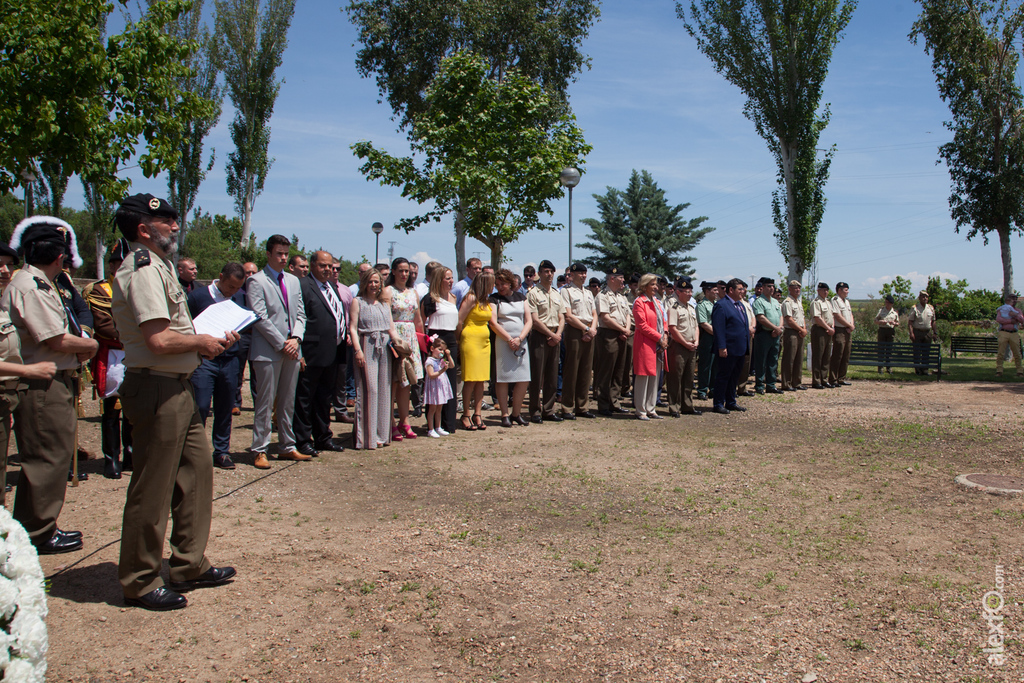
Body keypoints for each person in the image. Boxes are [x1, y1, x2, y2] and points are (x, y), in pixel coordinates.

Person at [111, 193, 238, 611]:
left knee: (197, 473)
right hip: (156, 387)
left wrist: (207, 341)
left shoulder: (160, 267)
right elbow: (159, 339)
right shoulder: (143, 269)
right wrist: (200, 341)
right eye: (166, 221)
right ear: (143, 229)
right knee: (154, 485)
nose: (175, 226)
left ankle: (188, 563)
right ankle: (140, 579)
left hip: (178, 384)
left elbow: (175, 331)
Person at [2, 217, 98, 554]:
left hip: (52, 380)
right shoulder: (32, 286)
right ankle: (39, 531)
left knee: (50, 457)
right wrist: (90, 346)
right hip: (43, 382)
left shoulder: (41, 283)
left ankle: (37, 527)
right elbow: (55, 338)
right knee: (47, 458)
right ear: (60, 256)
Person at [247, 234, 309, 469]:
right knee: (265, 402)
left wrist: (296, 338)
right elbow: (259, 318)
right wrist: (282, 343)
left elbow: (301, 314)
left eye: (285, 253)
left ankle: (286, 445)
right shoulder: (257, 281)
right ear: (268, 254)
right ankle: (259, 449)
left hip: (292, 349)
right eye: (279, 254)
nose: (283, 258)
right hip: (268, 351)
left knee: (287, 402)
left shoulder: (293, 281)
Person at [187, 263, 248, 470]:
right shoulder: (197, 297)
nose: (232, 292)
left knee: (225, 407)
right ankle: (195, 452)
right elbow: (187, 327)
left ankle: (221, 452)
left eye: (237, 288)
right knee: (201, 406)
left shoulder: (239, 298)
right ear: (220, 277)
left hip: (230, 359)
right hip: (204, 361)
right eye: (230, 286)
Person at [83, 239, 135, 478]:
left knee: (134, 408)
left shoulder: (139, 287)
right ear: (112, 266)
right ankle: (111, 458)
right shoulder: (100, 290)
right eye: (117, 263)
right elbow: (104, 326)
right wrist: (136, 337)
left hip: (136, 353)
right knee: (112, 411)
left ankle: (131, 454)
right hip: (114, 355)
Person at [294, 251, 347, 455]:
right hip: (311, 351)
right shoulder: (304, 286)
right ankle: (302, 440)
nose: (327, 270)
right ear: (313, 265)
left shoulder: (332, 287)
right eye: (323, 266)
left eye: (330, 266)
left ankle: (323, 437)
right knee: (305, 398)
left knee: (325, 398)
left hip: (333, 351)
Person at [349, 267, 401, 449]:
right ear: (365, 283)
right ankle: (367, 437)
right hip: (367, 344)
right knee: (369, 390)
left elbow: (391, 328)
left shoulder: (384, 304)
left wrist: (399, 343)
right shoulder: (358, 302)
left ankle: (381, 434)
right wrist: (358, 350)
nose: (373, 285)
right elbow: (353, 328)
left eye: (376, 282)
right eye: (370, 282)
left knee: (384, 390)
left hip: (384, 347)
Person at [382, 257, 423, 440]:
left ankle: (405, 421)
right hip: (395, 338)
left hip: (411, 337)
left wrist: (423, 341)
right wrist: (395, 339)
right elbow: (386, 318)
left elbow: (418, 319)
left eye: (407, 271)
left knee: (407, 381)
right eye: (401, 270)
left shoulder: (413, 292)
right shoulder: (387, 291)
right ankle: (390, 421)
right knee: (394, 381)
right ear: (393, 271)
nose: (404, 274)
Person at [488, 269, 532, 427]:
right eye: (497, 284)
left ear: (511, 283)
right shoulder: (494, 299)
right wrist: (509, 339)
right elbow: (493, 322)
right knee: (503, 378)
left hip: (521, 342)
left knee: (523, 378)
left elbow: (528, 320)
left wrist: (520, 338)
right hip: (503, 342)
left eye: (503, 284)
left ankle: (516, 413)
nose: (500, 287)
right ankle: (504, 414)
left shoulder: (521, 297)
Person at [421, 266, 460, 434]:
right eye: (447, 278)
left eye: (452, 278)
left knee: (449, 382)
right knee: (435, 383)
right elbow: (421, 322)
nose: (451, 281)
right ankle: (433, 424)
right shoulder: (430, 299)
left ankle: (448, 422)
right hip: (436, 340)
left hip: (451, 341)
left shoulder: (453, 297)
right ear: (439, 280)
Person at [527, 260, 565, 423]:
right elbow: (534, 320)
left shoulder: (557, 294)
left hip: (555, 336)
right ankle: (535, 410)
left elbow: (562, 316)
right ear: (539, 274)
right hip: (540, 336)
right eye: (546, 271)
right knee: (537, 375)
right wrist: (551, 334)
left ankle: (548, 410)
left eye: (551, 272)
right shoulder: (533, 293)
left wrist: (558, 334)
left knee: (552, 375)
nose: (549, 275)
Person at [457, 271, 494, 430]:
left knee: (481, 380)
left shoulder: (485, 300)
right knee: (471, 379)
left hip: (484, 343)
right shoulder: (471, 298)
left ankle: (477, 413)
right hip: (471, 341)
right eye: (492, 283)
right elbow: (459, 320)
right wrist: (459, 339)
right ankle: (465, 414)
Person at [560, 263, 597, 419]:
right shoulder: (566, 291)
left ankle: (582, 406)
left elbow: (594, 313)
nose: (583, 276)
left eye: (585, 273)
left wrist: (592, 330)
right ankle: (567, 407)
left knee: (586, 371)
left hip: (590, 331)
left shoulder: (588, 293)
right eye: (580, 273)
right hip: (575, 331)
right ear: (571, 275)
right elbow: (568, 315)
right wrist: (586, 329)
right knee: (571, 369)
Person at [594, 268, 632, 416]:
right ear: (612, 278)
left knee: (619, 371)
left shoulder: (622, 296)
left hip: (622, 334)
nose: (623, 281)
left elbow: (628, 315)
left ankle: (614, 402)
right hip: (608, 334)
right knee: (606, 371)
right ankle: (603, 404)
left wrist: (626, 329)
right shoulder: (603, 295)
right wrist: (622, 330)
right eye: (620, 278)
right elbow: (605, 318)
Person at [711, 278, 750, 414]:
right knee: (723, 376)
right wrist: (722, 347)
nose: (743, 291)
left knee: (734, 376)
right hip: (728, 348)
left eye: (743, 289)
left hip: (740, 348)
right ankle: (718, 403)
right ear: (731, 290)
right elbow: (719, 328)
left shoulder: (740, 305)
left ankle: (731, 402)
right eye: (740, 289)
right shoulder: (721, 305)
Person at [632, 274, 667, 420]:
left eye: (656, 284)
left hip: (658, 345)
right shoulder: (639, 302)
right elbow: (642, 325)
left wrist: (665, 335)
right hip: (645, 343)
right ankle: (641, 410)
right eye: (652, 284)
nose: (656, 287)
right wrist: (659, 338)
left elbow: (663, 320)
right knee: (643, 376)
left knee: (655, 376)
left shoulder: (657, 302)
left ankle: (651, 408)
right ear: (644, 285)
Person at [666, 277, 701, 417]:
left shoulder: (691, 307)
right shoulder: (674, 307)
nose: (690, 294)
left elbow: (696, 326)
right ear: (678, 292)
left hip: (692, 346)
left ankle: (687, 405)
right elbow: (672, 329)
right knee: (675, 377)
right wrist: (685, 343)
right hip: (679, 346)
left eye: (691, 291)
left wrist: (696, 341)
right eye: (686, 292)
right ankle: (674, 406)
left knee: (689, 377)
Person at [752, 278, 784, 394]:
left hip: (775, 334)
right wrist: (774, 328)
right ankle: (759, 385)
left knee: (773, 359)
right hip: (764, 334)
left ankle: (771, 384)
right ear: (763, 287)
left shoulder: (775, 302)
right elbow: (761, 318)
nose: (772, 289)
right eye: (769, 286)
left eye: (773, 286)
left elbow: (780, 316)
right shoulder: (758, 301)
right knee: (761, 360)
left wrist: (779, 328)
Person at [423, 336, 454, 437]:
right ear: (432, 349)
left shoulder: (441, 360)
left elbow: (452, 366)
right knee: (432, 409)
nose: (442, 352)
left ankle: (438, 427)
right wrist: (442, 370)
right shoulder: (430, 361)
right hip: (433, 388)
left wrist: (448, 356)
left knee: (439, 408)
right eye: (439, 349)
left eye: (443, 350)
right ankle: (431, 429)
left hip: (440, 388)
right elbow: (431, 375)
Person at [780, 280, 807, 391]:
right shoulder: (787, 302)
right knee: (789, 358)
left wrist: (804, 329)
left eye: (799, 288)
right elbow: (789, 320)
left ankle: (797, 382)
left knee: (798, 359)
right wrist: (801, 329)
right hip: (791, 332)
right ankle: (786, 383)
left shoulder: (798, 302)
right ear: (790, 289)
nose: (797, 290)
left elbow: (802, 317)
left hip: (800, 332)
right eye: (795, 288)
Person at [829, 281, 855, 386]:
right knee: (838, 354)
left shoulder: (846, 302)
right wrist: (849, 325)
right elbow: (837, 316)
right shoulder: (835, 300)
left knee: (846, 354)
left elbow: (850, 314)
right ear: (839, 290)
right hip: (839, 330)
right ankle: (833, 379)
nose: (847, 292)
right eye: (846, 290)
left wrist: (851, 326)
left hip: (848, 330)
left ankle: (842, 377)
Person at [810, 283, 836, 388]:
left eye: (827, 290)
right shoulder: (816, 302)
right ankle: (816, 381)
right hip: (820, 330)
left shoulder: (828, 302)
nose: (825, 292)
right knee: (818, 355)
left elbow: (831, 316)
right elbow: (817, 318)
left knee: (826, 356)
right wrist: (828, 328)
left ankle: (824, 379)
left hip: (828, 330)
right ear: (818, 291)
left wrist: (832, 327)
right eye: (823, 290)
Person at [696, 281, 718, 400]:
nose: (717, 292)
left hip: (717, 338)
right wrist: (717, 333)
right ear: (707, 291)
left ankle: (713, 389)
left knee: (716, 364)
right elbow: (704, 324)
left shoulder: (716, 304)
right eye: (714, 290)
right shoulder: (702, 305)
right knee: (706, 364)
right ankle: (702, 390)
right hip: (707, 337)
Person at [907, 290, 937, 375]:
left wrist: (935, 333)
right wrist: (911, 333)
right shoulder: (915, 308)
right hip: (917, 332)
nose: (925, 298)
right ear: (919, 298)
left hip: (927, 332)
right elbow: (910, 322)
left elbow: (933, 321)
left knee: (926, 352)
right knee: (917, 352)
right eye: (923, 297)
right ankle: (917, 370)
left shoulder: (930, 308)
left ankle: (925, 369)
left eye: (926, 297)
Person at [995, 293, 1024, 377]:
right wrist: (1010, 321)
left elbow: (1022, 320)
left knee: (1017, 353)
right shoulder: (1002, 309)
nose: (1014, 300)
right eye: (1012, 298)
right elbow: (999, 319)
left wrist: (1016, 316)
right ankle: (999, 371)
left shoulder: (1017, 311)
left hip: (1014, 333)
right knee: (1001, 352)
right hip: (1003, 332)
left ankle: (1020, 371)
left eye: (1015, 299)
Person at [875, 294, 899, 373]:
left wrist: (894, 323)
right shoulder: (881, 310)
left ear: (892, 304)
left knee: (889, 349)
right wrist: (880, 322)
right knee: (881, 349)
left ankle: (889, 368)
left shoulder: (894, 312)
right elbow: (875, 321)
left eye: (889, 303)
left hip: (890, 331)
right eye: (886, 302)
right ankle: (880, 368)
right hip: (882, 330)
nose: (887, 304)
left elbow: (898, 323)